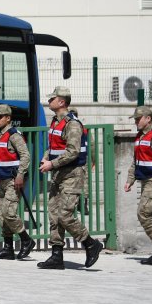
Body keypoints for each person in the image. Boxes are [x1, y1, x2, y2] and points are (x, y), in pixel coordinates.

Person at [38, 86, 103, 269]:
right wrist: (46, 156)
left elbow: (72, 152)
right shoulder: (56, 122)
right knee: (53, 214)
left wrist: (52, 164)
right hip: (59, 173)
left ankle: (90, 243)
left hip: (72, 174)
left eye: (52, 99)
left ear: (62, 102)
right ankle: (56, 255)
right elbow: (55, 146)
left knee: (65, 215)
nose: (49, 101)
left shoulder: (72, 124)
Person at [0, 104, 35, 260]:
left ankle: (26, 240)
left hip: (13, 180)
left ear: (8, 118)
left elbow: (26, 156)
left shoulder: (14, 135)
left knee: (9, 213)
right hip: (2, 180)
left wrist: (20, 175)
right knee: (2, 215)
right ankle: (8, 248)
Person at [124, 105, 152, 265]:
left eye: (138, 119)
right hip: (145, 180)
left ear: (148, 118)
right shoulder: (139, 137)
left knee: (143, 213)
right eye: (136, 119)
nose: (136, 122)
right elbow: (135, 161)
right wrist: (129, 180)